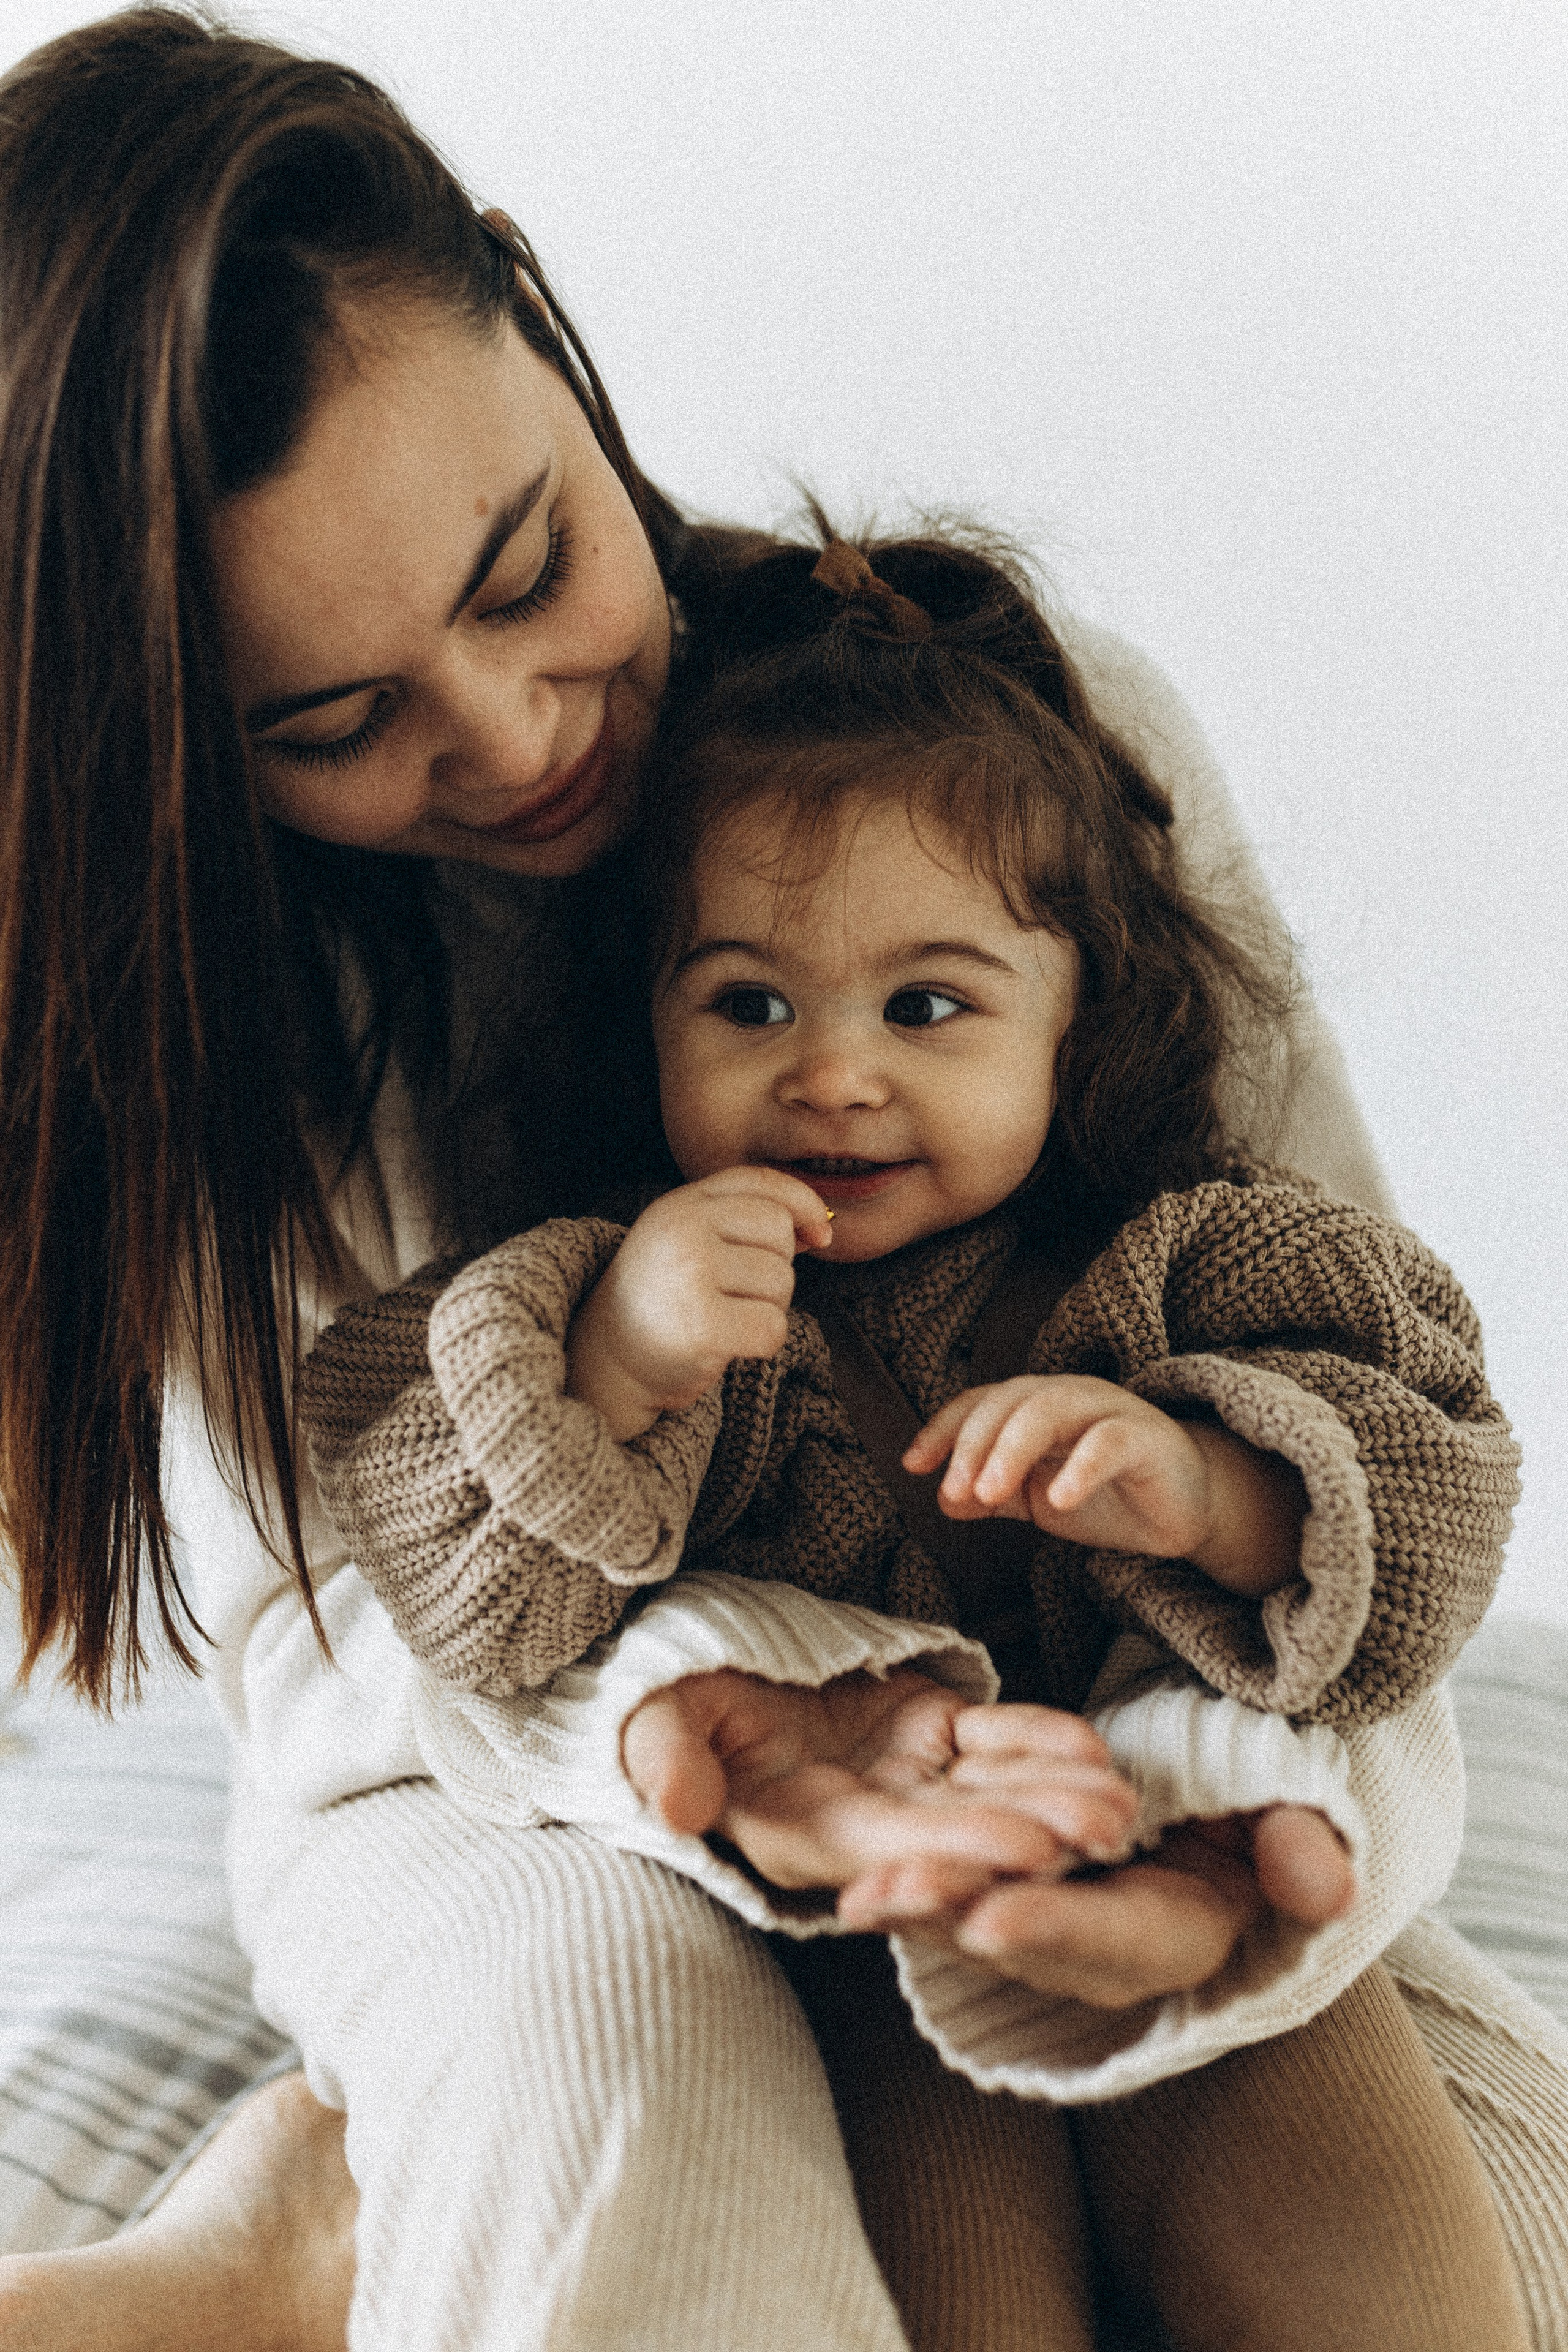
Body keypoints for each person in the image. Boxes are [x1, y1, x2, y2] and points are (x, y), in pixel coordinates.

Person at [0, 12, 1562, 2352]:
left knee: (1470, 2228)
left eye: (525, 569)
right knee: (637, 2063)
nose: (512, 738)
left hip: (1083, 1716)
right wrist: (755, 1729)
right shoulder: (208, 1016)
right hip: (495, 1778)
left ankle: (321, 2240)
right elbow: (348, 1641)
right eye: (329, 724)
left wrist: (1221, 1808)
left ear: (536, 306)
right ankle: (339, 2211)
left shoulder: (1030, 746)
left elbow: (1354, 1384)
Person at [295, 521, 1527, 2349]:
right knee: (960, 2284)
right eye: (748, 1004)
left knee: (1392, 2280)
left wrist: (1202, 1484)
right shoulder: (605, 1297)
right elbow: (463, 1604)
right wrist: (619, 1360)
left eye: (928, 1006)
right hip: (863, 1936)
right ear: (643, 1018)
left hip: (1194, 1859)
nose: (832, 1071)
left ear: (1078, 1018)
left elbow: (1428, 1497)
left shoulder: (1194, 1263)